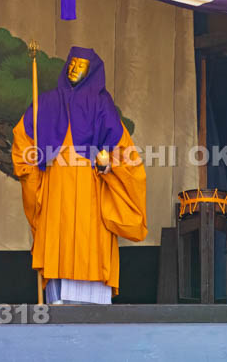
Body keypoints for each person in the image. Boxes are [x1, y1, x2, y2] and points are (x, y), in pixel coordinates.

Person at [12, 46, 147, 304]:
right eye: (72, 64)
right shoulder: (47, 102)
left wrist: (108, 164)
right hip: (57, 187)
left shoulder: (101, 105)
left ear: (92, 71)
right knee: (60, 245)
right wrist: (37, 160)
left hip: (91, 189)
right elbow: (23, 141)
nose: (75, 69)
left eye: (81, 65)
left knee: (90, 244)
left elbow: (124, 151)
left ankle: (93, 303)